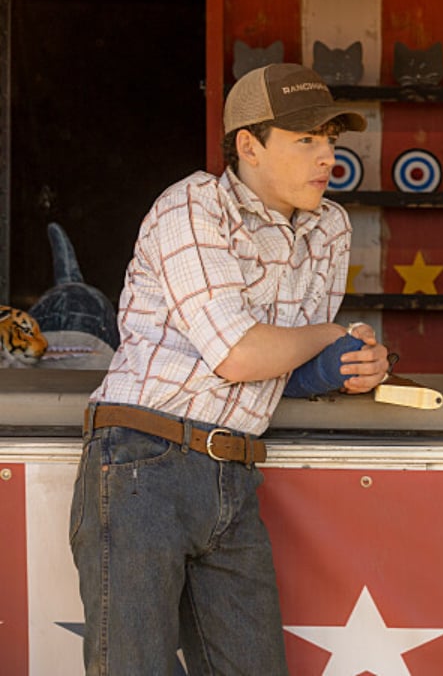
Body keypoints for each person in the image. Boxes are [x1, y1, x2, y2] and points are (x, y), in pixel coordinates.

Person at [70, 63, 392, 674]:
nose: (327, 157)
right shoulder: (193, 204)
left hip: (235, 472)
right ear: (248, 146)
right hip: (142, 460)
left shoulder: (330, 226)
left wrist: (346, 364)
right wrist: (329, 334)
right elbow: (238, 353)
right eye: (305, 141)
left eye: (331, 140)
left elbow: (279, 363)